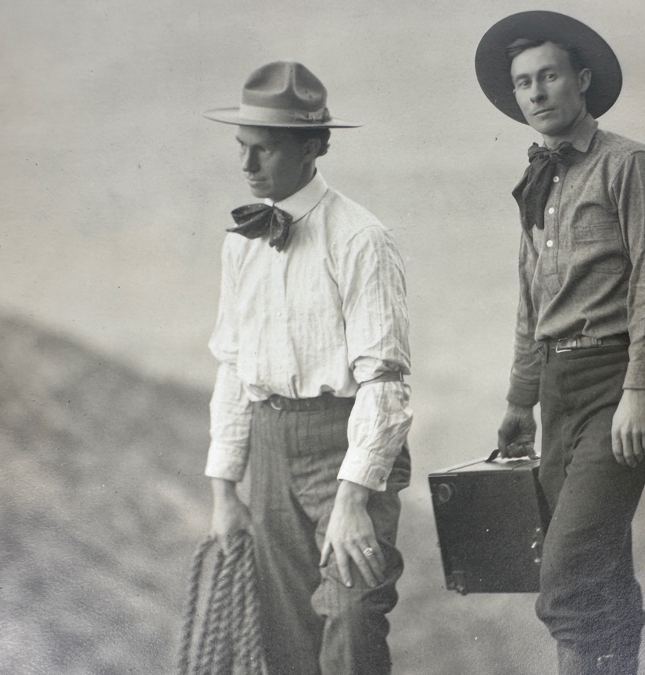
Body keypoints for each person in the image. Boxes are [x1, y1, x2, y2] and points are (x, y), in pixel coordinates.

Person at [475, 12, 645, 675]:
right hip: (559, 394)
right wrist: (519, 403)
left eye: (549, 76)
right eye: (523, 83)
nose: (536, 93)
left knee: (566, 576)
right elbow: (532, 303)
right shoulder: (541, 180)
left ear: (583, 81)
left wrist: (638, 389)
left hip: (619, 385)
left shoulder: (632, 166)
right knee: (600, 572)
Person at [201, 61, 412, 675]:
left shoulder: (360, 239)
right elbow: (234, 366)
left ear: (313, 147)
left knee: (352, 614)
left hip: (343, 450)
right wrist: (223, 491)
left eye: (262, 150)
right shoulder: (240, 241)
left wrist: (352, 501)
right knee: (283, 631)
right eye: (241, 147)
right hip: (267, 451)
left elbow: (386, 381)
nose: (245, 166)